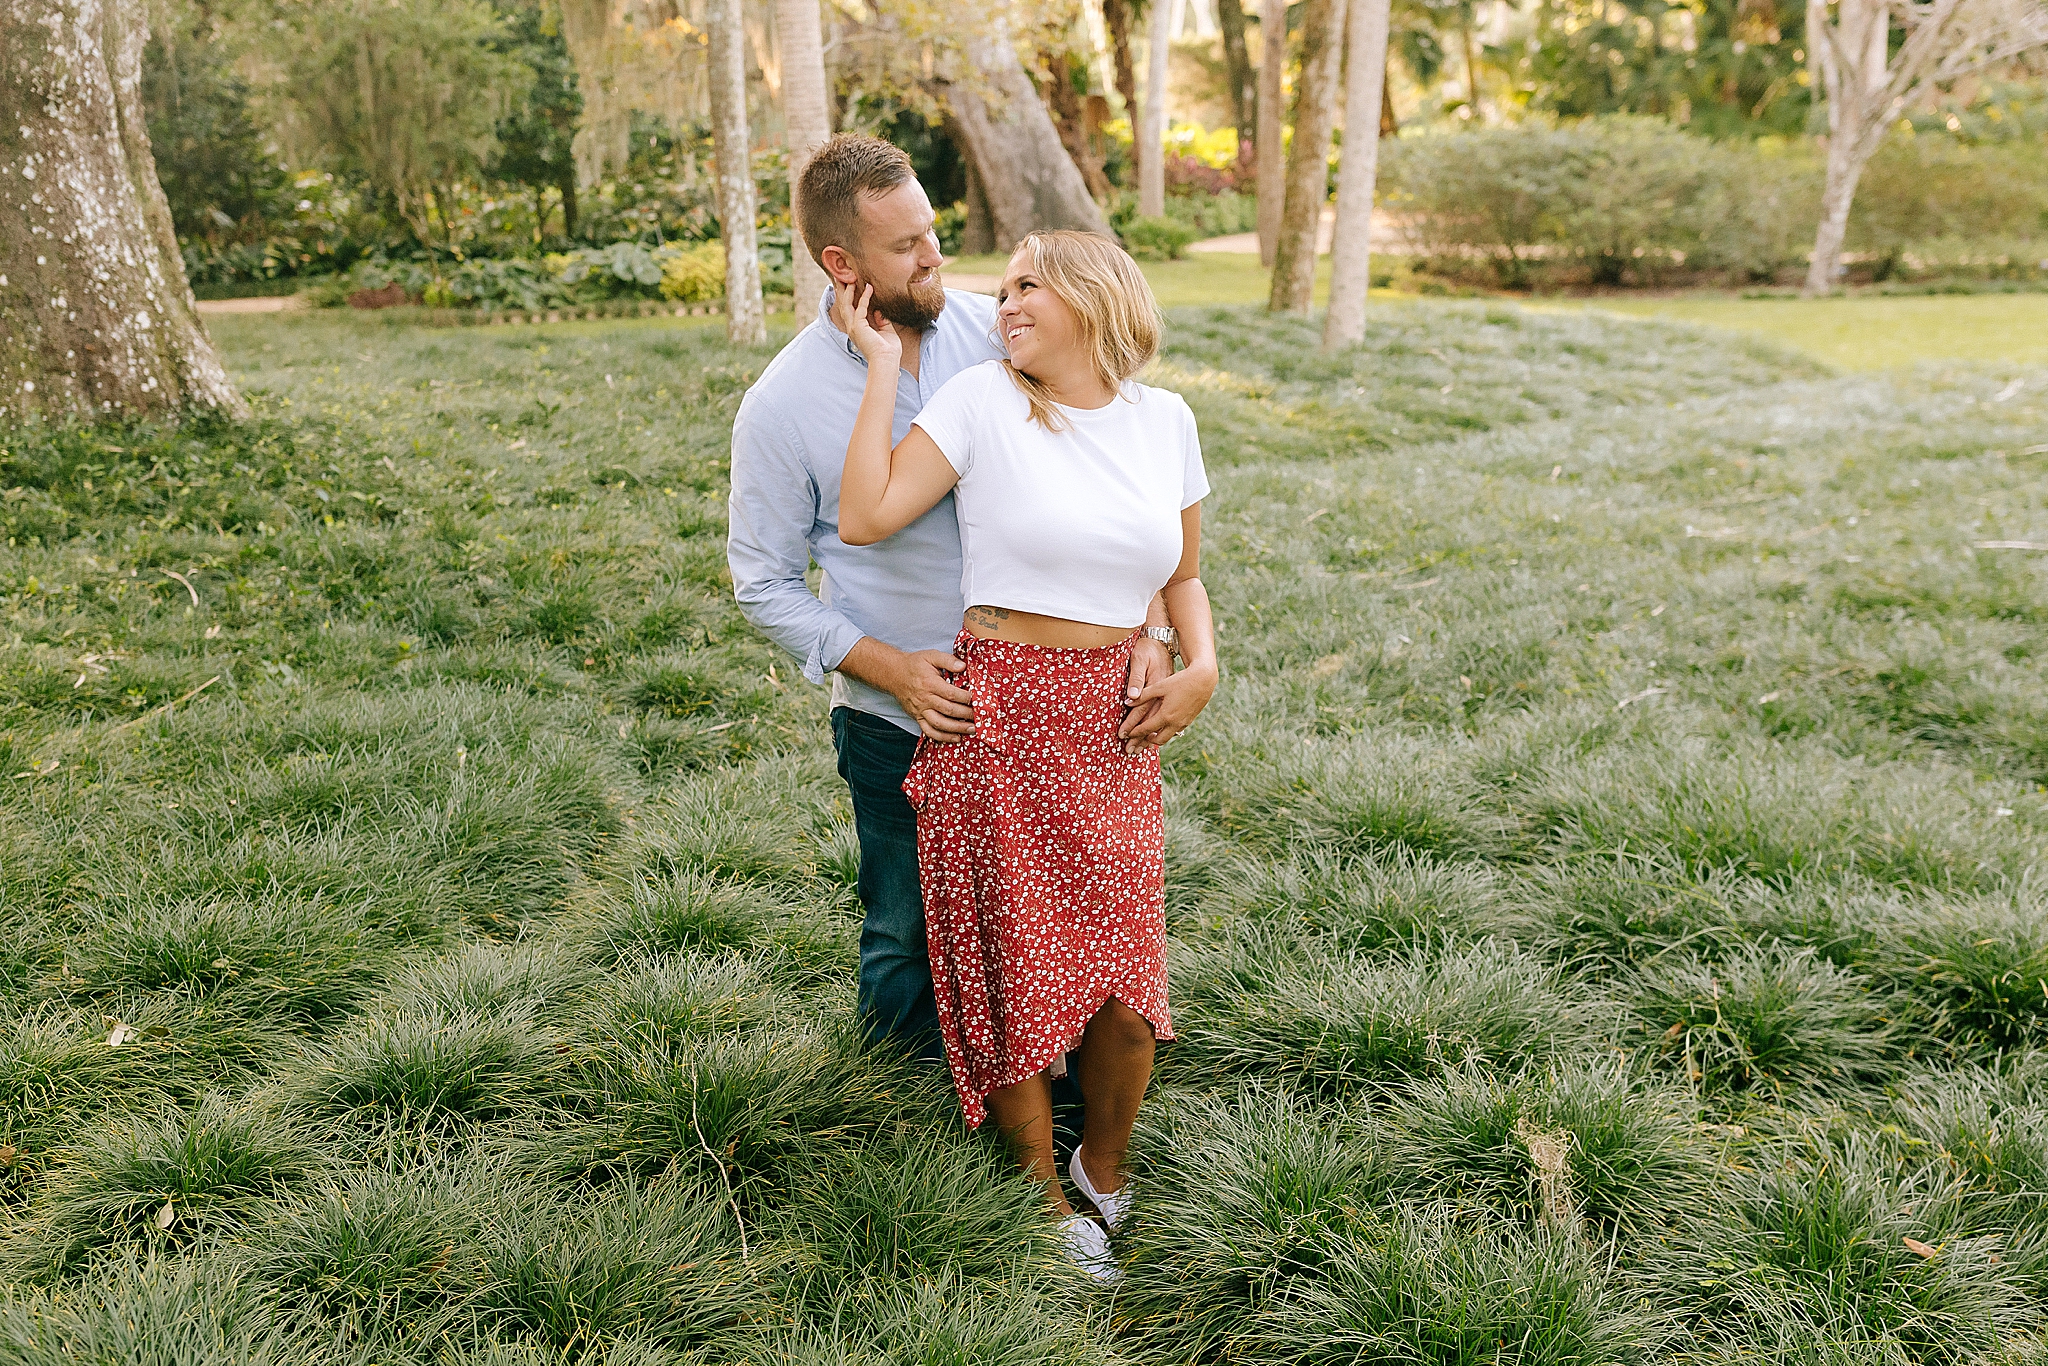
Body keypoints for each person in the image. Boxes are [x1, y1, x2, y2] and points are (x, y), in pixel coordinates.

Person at [726, 136, 1182, 1066]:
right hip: (905, 715)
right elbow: (762, 583)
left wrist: (1156, 626)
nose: (936, 257)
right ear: (841, 266)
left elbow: (1125, 483)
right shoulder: (782, 405)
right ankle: (907, 1126)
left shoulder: (1009, 333)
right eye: (906, 248)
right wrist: (886, 666)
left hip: (1049, 704)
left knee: (1044, 922)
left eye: (934, 231)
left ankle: (1046, 1096)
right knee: (905, 933)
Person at [833, 229, 1219, 1280]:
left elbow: (1178, 570)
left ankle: (1104, 1164)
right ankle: (1041, 1190)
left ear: (1094, 300)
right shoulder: (978, 403)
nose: (1002, 305)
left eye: (1026, 286)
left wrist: (1201, 663)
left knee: (1126, 987)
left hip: (1111, 724)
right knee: (1012, 965)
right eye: (999, 289)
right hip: (995, 716)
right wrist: (879, 372)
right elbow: (863, 516)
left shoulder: (1163, 420)